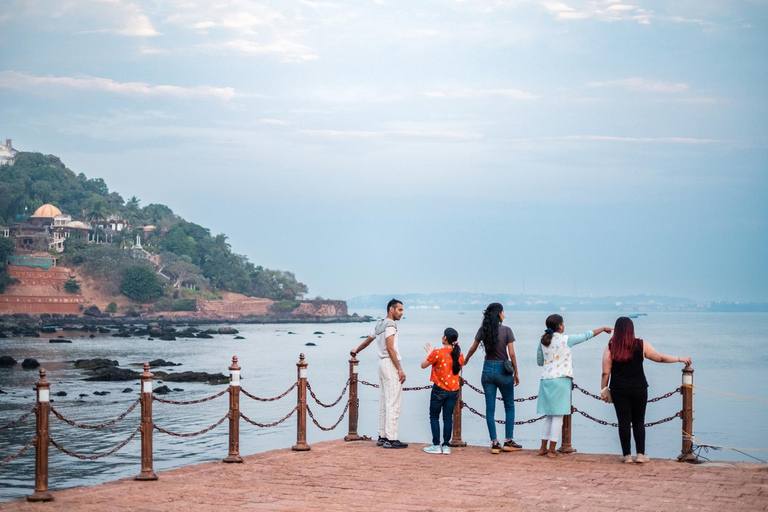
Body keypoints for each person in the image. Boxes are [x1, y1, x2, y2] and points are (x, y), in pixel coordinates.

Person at [601, 316, 692, 464]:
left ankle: (627, 456)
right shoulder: (641, 345)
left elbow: (605, 372)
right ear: (631, 329)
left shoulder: (610, 347)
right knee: (639, 421)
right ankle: (641, 455)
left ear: (616, 330)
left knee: (623, 422)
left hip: (619, 389)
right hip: (639, 388)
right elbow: (660, 358)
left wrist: (603, 390)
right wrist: (679, 358)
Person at [536, 314, 612, 458]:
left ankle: (543, 448)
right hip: (561, 380)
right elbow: (586, 335)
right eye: (563, 324)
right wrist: (602, 329)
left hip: (546, 379)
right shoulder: (566, 340)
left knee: (549, 416)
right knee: (558, 416)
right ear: (559, 326)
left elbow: (540, 361)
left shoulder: (543, 341)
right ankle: (552, 450)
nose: (564, 326)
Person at [464, 302, 521, 454]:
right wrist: (516, 373)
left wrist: (466, 360)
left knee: (490, 409)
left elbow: (473, 348)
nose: (504, 314)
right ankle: (508, 441)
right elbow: (512, 354)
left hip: (487, 370)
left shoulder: (484, 330)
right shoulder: (507, 330)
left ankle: (495, 443)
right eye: (503, 312)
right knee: (509, 406)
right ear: (499, 314)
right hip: (503, 370)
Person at [351, 298, 408, 449]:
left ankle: (382, 436)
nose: (402, 313)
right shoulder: (390, 324)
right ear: (391, 309)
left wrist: (356, 350)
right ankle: (391, 438)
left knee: (384, 401)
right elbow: (390, 348)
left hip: (381, 364)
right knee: (393, 402)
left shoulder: (379, 324)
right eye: (400, 310)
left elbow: (367, 341)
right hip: (389, 363)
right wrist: (400, 369)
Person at [420, 327, 464, 455]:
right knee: (448, 418)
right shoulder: (459, 355)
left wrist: (429, 352)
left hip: (439, 389)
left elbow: (423, 365)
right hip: (454, 390)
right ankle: (446, 446)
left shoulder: (437, 353)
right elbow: (461, 364)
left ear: (445, 338)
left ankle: (435, 444)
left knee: (434, 416)